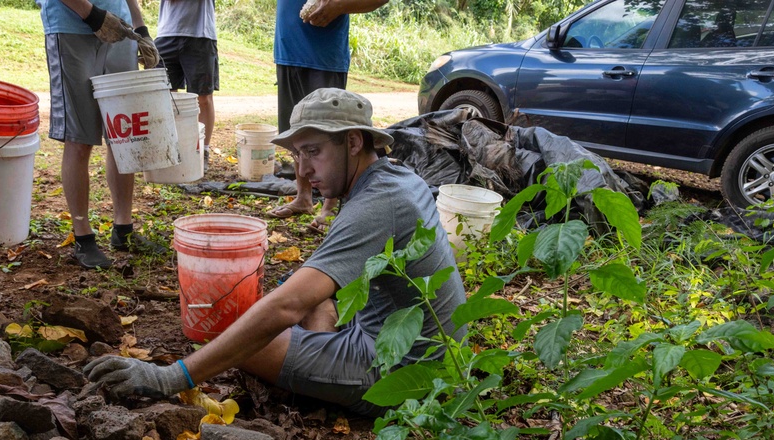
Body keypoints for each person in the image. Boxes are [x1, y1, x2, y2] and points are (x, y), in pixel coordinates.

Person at [86, 88, 467, 417]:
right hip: (415, 342)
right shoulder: (394, 177)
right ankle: (321, 363)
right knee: (307, 302)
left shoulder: (379, 203)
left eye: (313, 152)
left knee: (237, 339)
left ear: (353, 142)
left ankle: (328, 379)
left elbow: (286, 307)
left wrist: (170, 376)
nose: (302, 170)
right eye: (298, 155)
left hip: (406, 371)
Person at [39, 0, 162, 270]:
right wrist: (90, 14)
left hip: (119, 29)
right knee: (79, 139)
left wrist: (140, 28)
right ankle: (83, 236)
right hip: (71, 26)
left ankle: (123, 229)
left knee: (122, 136)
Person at [267, 0, 388, 230]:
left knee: (329, 135)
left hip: (323, 56)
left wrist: (339, 6)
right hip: (287, 49)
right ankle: (304, 197)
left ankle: (331, 206)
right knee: (296, 133)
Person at [155, 0, 217, 173]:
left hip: (200, 34)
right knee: (165, 96)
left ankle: (202, 151)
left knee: (203, 98)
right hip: (166, 33)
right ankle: (171, 150)